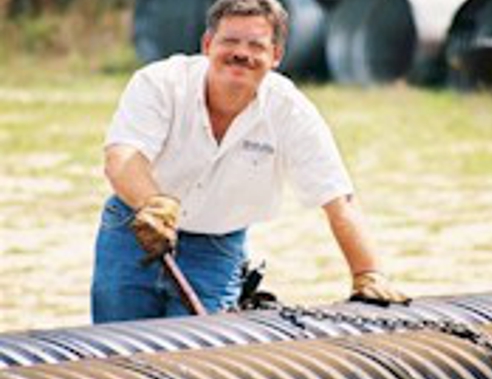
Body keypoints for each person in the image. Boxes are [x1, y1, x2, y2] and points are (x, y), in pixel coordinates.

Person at [91, 0, 410, 323]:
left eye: (256, 45)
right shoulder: (159, 84)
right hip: (134, 233)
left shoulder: (289, 111)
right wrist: (152, 205)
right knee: (119, 348)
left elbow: (337, 198)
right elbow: (121, 158)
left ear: (276, 56)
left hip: (217, 249)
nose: (241, 53)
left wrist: (368, 272)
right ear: (207, 44)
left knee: (198, 357)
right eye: (230, 41)